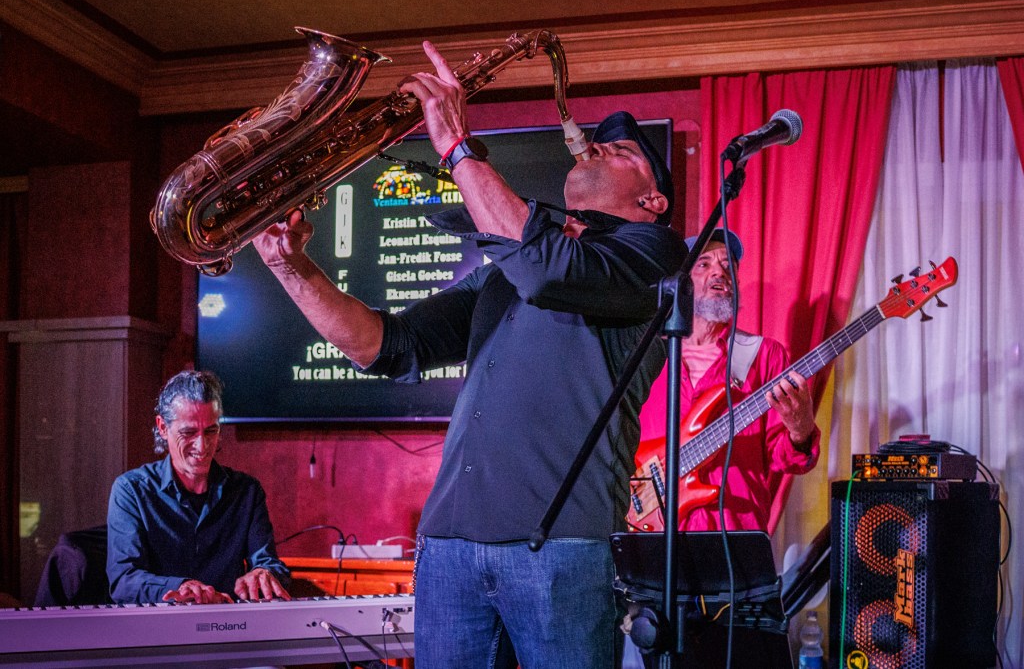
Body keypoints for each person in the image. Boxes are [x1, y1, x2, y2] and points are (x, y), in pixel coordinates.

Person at [252, 40, 686, 668]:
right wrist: (293, 271)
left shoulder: (652, 256)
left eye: (619, 151)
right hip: (449, 547)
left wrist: (458, 147)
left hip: (561, 550)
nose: (592, 146)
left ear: (652, 203)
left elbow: (547, 267)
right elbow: (385, 346)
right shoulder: (507, 270)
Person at [637, 229, 820, 533]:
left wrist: (800, 431)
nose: (719, 272)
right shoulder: (648, 355)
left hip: (732, 531)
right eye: (704, 264)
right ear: (681, 283)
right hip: (649, 531)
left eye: (728, 265)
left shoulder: (763, 355)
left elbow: (784, 459)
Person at [106, 370, 291, 604]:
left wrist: (265, 574)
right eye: (189, 432)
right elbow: (124, 581)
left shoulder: (246, 491)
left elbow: (269, 563)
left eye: (211, 431)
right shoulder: (131, 490)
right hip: (160, 629)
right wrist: (181, 587)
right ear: (163, 427)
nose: (202, 445)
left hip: (229, 628)